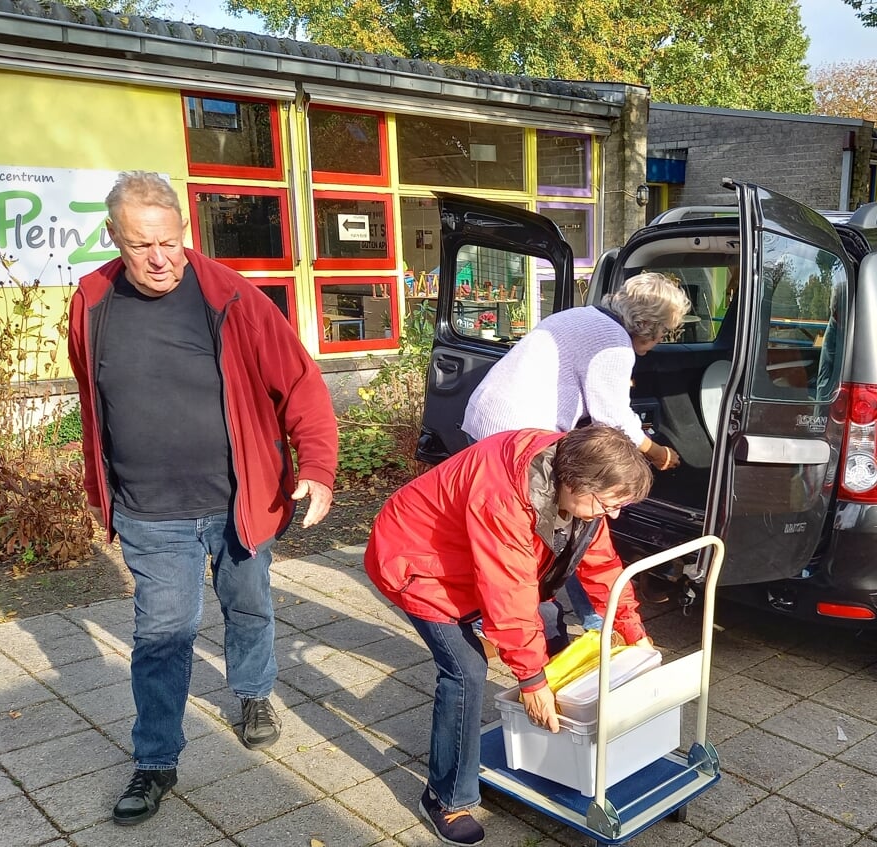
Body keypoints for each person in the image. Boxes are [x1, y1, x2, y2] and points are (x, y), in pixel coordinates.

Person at [67, 171, 339, 825]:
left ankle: (251, 692)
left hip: (237, 501)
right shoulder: (91, 300)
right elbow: (91, 396)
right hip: (148, 508)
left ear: (184, 233)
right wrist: (98, 485)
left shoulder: (231, 297)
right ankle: (156, 759)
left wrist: (319, 468)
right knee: (162, 633)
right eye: (141, 245)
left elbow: (300, 384)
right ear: (114, 238)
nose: (159, 258)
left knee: (247, 606)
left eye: (170, 242)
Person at [365, 426, 655, 846]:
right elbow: (508, 587)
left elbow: (602, 564)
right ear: (573, 483)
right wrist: (531, 679)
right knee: (465, 671)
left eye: (618, 505)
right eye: (607, 505)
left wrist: (633, 630)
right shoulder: (503, 492)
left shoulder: (577, 477)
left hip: (472, 558)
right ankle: (447, 798)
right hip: (418, 562)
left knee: (550, 626)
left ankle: (555, 752)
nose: (612, 515)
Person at [462, 271, 690, 630]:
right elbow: (613, 419)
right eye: (664, 331)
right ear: (649, 326)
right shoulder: (613, 343)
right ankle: (593, 619)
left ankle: (503, 612)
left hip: (487, 420)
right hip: (518, 435)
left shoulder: (582, 316)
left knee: (518, 527)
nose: (662, 340)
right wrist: (657, 453)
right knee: (575, 522)